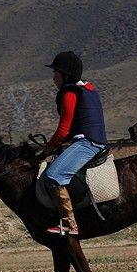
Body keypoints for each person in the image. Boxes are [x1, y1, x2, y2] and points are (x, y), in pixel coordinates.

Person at [41, 51, 108, 236]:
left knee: (54, 175)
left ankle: (69, 224)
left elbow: (63, 130)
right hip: (95, 140)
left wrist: (46, 150)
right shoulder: (88, 88)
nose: (53, 78)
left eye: (56, 73)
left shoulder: (70, 93)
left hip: (87, 143)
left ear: (65, 75)